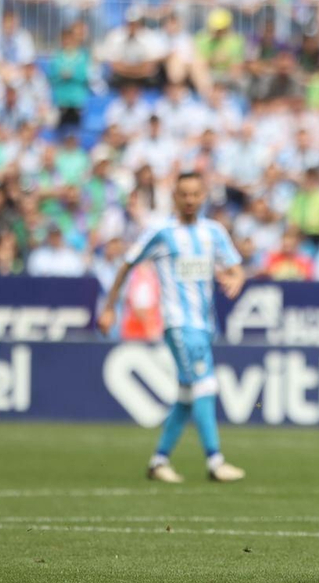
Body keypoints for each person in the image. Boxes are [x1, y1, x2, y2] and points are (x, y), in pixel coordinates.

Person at [98, 171, 248, 484]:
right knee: (205, 385)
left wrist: (235, 278)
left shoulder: (214, 232)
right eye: (184, 194)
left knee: (186, 395)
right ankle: (215, 461)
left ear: (204, 195)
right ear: (175, 197)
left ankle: (159, 460)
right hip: (179, 324)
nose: (190, 200)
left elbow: (236, 268)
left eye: (196, 194)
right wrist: (110, 307)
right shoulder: (162, 232)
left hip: (205, 325)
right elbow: (127, 263)